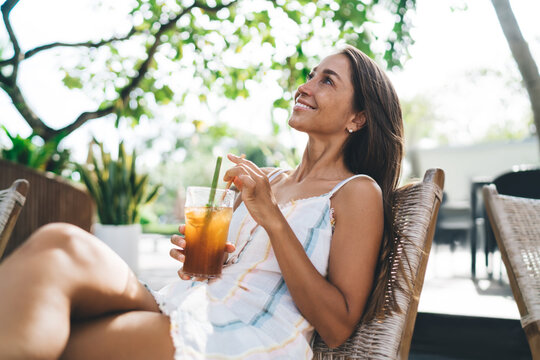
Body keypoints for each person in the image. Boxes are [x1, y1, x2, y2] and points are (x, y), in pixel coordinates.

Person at [0, 45, 403, 360]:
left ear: (359, 119)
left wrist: (273, 220)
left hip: (239, 335)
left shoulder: (356, 192)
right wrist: (207, 260)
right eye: (310, 75)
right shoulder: (272, 179)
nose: (306, 86)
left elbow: (337, 326)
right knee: (60, 243)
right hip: (187, 301)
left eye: (327, 81)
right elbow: (240, 269)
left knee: (62, 337)